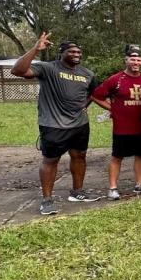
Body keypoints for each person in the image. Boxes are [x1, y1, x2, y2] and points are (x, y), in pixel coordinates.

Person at [11, 32, 101, 214]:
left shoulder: (87, 73)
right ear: (62, 53)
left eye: (79, 52)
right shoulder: (48, 68)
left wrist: (85, 105)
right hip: (53, 124)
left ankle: (77, 192)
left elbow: (94, 92)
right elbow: (18, 71)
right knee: (51, 160)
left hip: (79, 125)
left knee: (80, 156)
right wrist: (35, 49)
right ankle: (47, 199)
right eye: (72, 51)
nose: (77, 54)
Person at [92, 44, 141, 200]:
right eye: (132, 59)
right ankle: (112, 188)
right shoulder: (116, 79)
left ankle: (139, 184)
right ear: (126, 60)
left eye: (138, 59)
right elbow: (96, 95)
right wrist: (113, 108)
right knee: (117, 156)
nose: (135, 62)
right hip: (123, 127)